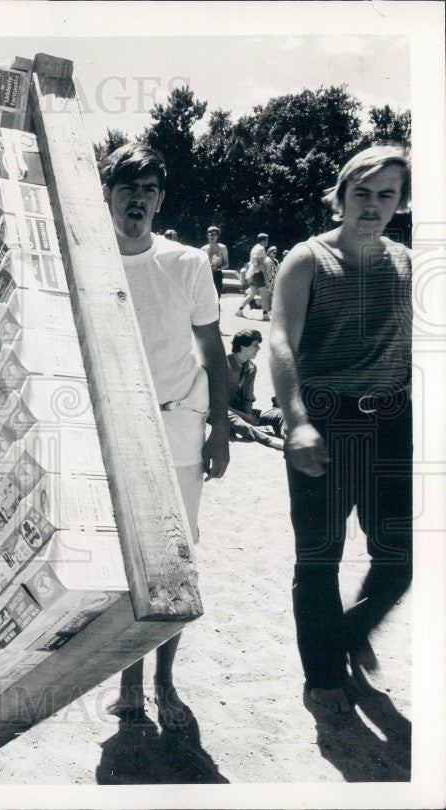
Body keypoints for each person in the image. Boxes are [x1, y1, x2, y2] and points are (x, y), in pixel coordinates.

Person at [270, 144, 412, 714]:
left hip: (395, 423)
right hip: (327, 421)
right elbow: (280, 340)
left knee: (403, 555)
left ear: (401, 202)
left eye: (387, 195)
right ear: (340, 195)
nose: (373, 205)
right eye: (362, 193)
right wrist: (296, 421)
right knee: (320, 557)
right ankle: (324, 681)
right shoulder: (306, 259)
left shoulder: (408, 263)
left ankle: (348, 635)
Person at [100, 143, 229, 730]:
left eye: (150, 188)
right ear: (106, 193)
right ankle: (127, 679)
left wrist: (220, 426)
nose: (138, 199)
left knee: (177, 555)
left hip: (178, 419)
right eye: (128, 187)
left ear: (160, 199)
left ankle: (164, 680)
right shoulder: (86, 260)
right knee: (123, 552)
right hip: (111, 424)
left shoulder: (187, 263)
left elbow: (212, 349)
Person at [227, 329, 284, 449]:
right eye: (255, 345)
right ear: (243, 346)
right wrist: (246, 416)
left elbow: (248, 396)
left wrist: (248, 414)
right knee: (232, 417)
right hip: (221, 411)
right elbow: (218, 403)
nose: (258, 349)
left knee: (279, 414)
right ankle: (268, 441)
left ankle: (286, 436)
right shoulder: (224, 365)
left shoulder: (251, 367)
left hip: (240, 410)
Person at [236, 232, 270, 320]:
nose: (267, 242)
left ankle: (239, 310)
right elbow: (261, 264)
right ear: (264, 240)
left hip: (251, 273)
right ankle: (265, 315)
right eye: (267, 240)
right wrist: (265, 275)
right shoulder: (261, 248)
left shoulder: (255, 247)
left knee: (252, 293)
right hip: (257, 273)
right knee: (264, 294)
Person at [201, 226, 229, 299]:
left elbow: (226, 264)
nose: (212, 237)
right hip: (206, 274)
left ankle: (217, 310)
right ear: (207, 236)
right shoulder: (203, 249)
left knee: (217, 296)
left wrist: (218, 268)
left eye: (215, 234)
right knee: (206, 296)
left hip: (217, 274)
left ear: (217, 236)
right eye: (211, 234)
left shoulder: (222, 248)